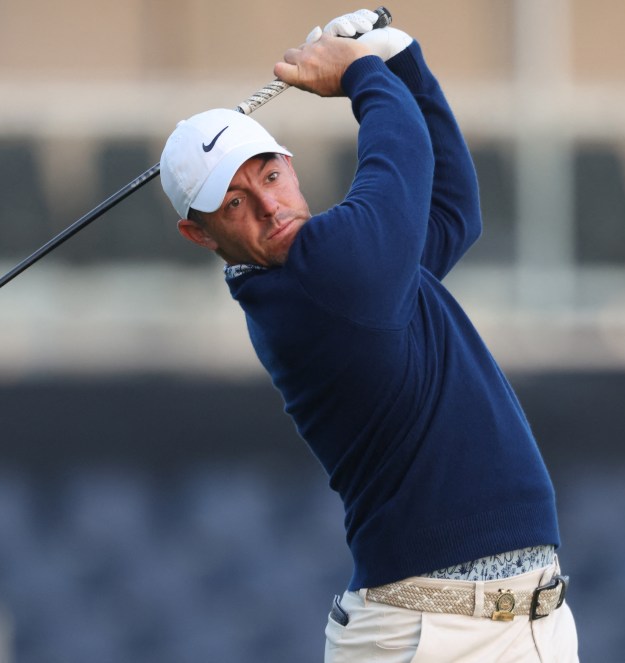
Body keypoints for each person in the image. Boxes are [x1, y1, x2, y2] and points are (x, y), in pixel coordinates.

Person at [159, 9, 578, 662]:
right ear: (200, 233)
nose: (269, 205)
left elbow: (452, 212)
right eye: (235, 201)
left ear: (292, 168)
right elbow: (401, 152)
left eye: (269, 175)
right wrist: (363, 73)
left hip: (527, 625)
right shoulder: (323, 273)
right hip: (427, 636)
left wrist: (404, 59)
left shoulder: (354, 270)